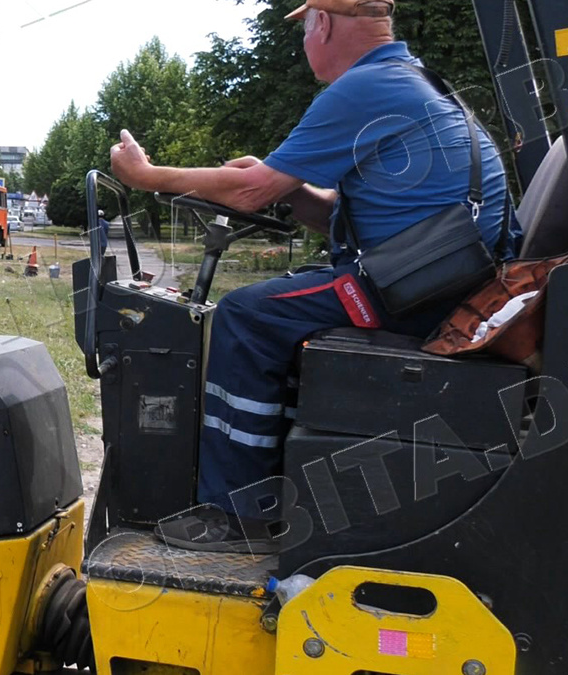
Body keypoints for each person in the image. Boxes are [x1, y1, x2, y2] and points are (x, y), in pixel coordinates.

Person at [109, 0, 516, 552]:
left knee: (246, 316)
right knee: (280, 304)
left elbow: (252, 193)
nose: (304, 43)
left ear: (321, 23)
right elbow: (330, 214)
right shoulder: (413, 80)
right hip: (438, 279)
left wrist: (147, 175)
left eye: (304, 28)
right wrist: (292, 187)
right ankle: (282, 473)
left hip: (412, 293)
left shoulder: (365, 89)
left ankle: (238, 517)